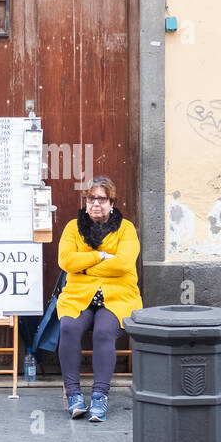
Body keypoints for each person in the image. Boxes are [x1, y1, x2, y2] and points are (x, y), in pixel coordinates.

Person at [56, 175, 143, 423]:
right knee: (68, 327)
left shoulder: (125, 228)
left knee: (103, 332)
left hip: (117, 295)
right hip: (78, 296)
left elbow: (124, 264)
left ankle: (99, 396)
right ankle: (73, 395)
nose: (96, 204)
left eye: (102, 199)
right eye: (91, 198)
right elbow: (65, 261)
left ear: (111, 203)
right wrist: (102, 256)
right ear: (85, 201)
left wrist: (84, 267)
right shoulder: (73, 227)